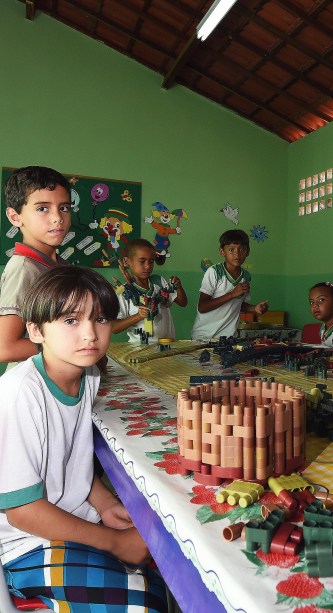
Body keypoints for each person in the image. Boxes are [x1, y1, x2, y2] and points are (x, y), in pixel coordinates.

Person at [0, 266, 166, 611]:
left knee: (160, 572)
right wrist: (114, 543)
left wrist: (104, 504)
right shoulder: (20, 395)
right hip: (25, 544)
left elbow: (67, 459)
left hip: (73, 520)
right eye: (71, 321)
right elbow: (22, 511)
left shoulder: (88, 375)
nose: (90, 334)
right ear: (35, 330)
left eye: (101, 319)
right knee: (141, 603)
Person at [0, 166, 71, 369]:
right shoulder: (24, 269)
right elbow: (5, 348)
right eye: (42, 208)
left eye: (64, 207)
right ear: (15, 217)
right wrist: (69, 344)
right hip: (32, 386)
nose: (58, 217)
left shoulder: (58, 265)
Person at [190, 229, 268, 340]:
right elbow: (202, 307)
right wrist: (232, 294)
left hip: (228, 337)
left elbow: (239, 304)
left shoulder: (246, 276)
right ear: (222, 252)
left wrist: (254, 308)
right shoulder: (214, 272)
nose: (237, 253)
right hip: (204, 336)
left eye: (242, 250)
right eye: (231, 249)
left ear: (248, 252)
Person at [111, 238, 188, 342]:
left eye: (151, 262)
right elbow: (114, 328)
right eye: (142, 261)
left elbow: (183, 303)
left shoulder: (159, 281)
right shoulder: (123, 291)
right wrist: (138, 316)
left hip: (167, 344)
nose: (147, 266)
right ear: (126, 261)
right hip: (139, 349)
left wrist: (179, 286)